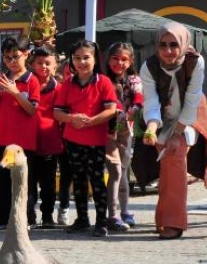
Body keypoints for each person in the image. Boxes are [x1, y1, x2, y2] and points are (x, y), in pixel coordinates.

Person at [140, 21, 207, 240]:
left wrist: (178, 133)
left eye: (173, 45)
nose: (168, 51)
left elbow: (192, 99)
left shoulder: (195, 62)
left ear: (183, 43)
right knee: (167, 168)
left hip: (190, 116)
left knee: (176, 159)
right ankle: (164, 218)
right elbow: (150, 102)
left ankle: (174, 222)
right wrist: (151, 128)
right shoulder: (148, 67)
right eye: (163, 45)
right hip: (161, 118)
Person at [53, 40, 118, 237]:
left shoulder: (104, 82)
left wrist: (91, 121)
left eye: (86, 58)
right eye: (77, 58)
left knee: (97, 181)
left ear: (95, 58)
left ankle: (101, 221)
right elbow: (57, 112)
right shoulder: (68, 84)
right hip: (72, 140)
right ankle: (82, 219)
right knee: (78, 180)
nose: (81, 62)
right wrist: (71, 118)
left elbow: (111, 110)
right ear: (72, 61)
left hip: (96, 140)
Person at [0, 37, 40, 230]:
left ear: (26, 54)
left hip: (22, 141)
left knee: (24, 181)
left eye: (15, 56)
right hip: (1, 137)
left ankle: (27, 217)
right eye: (7, 57)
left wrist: (15, 91)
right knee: (1, 180)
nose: (11, 61)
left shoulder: (32, 80)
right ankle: (2, 217)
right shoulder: (3, 77)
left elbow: (32, 110)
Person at [105, 42, 142, 231]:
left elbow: (138, 98)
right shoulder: (103, 80)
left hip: (126, 130)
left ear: (130, 61)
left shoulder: (133, 79)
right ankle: (112, 214)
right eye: (115, 58)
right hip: (107, 131)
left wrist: (131, 111)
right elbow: (108, 102)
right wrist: (118, 111)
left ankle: (125, 210)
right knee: (115, 170)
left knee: (124, 171)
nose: (119, 63)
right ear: (108, 59)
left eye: (124, 59)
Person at [27, 47, 62, 228]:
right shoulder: (26, 84)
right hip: (28, 141)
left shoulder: (60, 89)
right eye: (40, 63)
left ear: (55, 66)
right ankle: (29, 215)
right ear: (32, 65)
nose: (44, 67)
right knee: (29, 183)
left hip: (50, 142)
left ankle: (47, 215)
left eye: (48, 63)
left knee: (48, 184)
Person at [55, 56, 74, 226]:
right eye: (68, 73)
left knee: (69, 175)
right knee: (59, 175)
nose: (71, 76)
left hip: (73, 139)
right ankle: (59, 208)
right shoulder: (59, 90)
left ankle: (65, 207)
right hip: (56, 138)